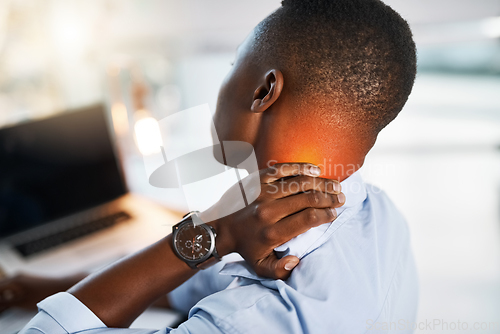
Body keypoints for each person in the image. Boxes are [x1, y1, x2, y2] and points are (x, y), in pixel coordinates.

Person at [6, 0, 418, 332]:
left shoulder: (250, 317)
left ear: (263, 91)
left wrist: (213, 232)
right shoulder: (382, 217)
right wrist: (26, 288)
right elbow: (203, 281)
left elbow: (46, 331)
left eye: (231, 68)